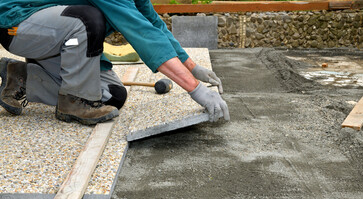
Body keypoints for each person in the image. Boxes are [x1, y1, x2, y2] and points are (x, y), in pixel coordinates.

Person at [0, 0, 230, 125]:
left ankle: (21, 77)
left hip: (59, 41)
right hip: (19, 24)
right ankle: (73, 101)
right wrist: (195, 90)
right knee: (88, 19)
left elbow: (153, 25)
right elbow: (142, 35)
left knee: (112, 96)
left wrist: (192, 66)